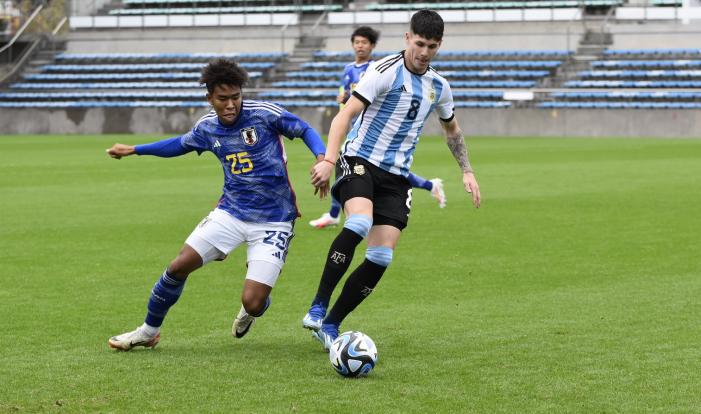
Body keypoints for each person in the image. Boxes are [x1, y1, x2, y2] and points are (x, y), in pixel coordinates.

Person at [105, 58, 327, 351]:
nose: (231, 104)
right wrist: (135, 150)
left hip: (274, 220)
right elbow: (179, 145)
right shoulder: (207, 128)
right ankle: (148, 331)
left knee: (253, 301)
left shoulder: (264, 114)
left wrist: (322, 158)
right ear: (209, 97)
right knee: (177, 266)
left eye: (236, 97)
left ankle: (253, 309)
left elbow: (304, 129)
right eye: (223, 99)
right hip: (231, 213)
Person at [303, 10, 481, 349]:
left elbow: (452, 131)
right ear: (407, 38)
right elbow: (345, 116)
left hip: (397, 176)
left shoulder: (440, 87)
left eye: (431, 46)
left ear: (439, 45)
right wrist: (329, 159)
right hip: (360, 160)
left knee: (381, 256)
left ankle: (331, 324)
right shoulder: (382, 71)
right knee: (358, 224)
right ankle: (318, 305)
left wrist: (467, 170)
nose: (424, 52)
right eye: (419, 43)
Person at [309, 25, 447, 229]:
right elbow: (346, 98)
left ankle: (334, 213)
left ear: (372, 46)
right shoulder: (348, 69)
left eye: (364, 42)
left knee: (383, 169)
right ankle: (335, 213)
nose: (360, 46)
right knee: (349, 170)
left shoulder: (377, 69)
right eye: (356, 42)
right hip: (351, 128)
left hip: (372, 131)